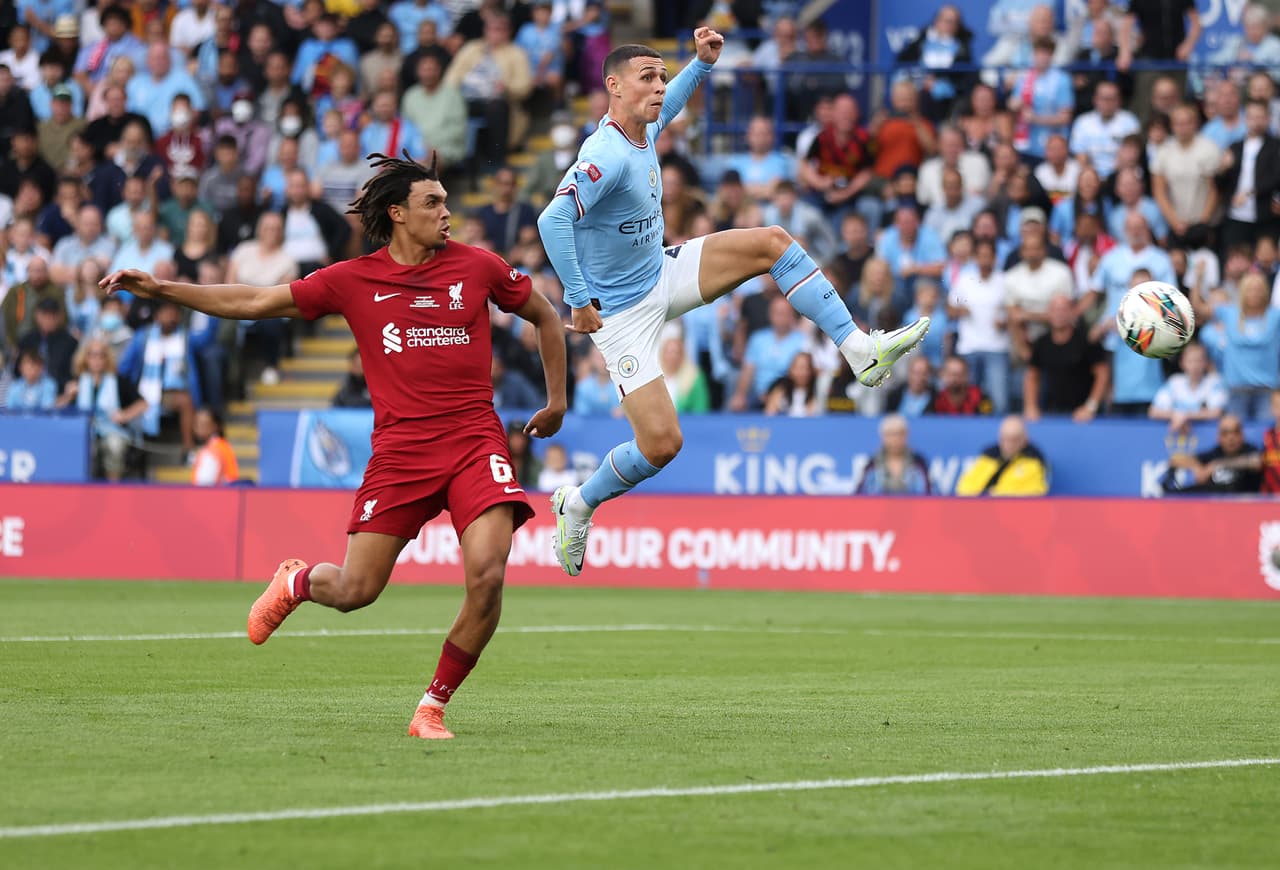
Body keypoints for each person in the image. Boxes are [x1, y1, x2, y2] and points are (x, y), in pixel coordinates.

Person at [102, 151, 567, 740]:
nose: (447, 213)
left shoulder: (478, 267)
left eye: (447, 201)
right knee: (354, 591)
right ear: (397, 214)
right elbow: (253, 302)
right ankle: (296, 581)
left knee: (488, 576)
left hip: (476, 440)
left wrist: (556, 401)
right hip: (401, 452)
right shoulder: (353, 279)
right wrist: (163, 289)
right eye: (433, 203)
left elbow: (546, 316)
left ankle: (432, 706)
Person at [536, 33, 930, 576]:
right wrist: (578, 302)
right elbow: (551, 221)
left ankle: (859, 348)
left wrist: (699, 65)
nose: (658, 86)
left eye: (659, 75)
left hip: (662, 273)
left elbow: (672, 104)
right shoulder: (604, 154)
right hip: (621, 316)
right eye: (647, 78)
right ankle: (577, 502)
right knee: (661, 444)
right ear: (613, 87)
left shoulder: (643, 125)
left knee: (773, 242)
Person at [56, 336, 146, 480]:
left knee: (114, 445)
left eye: (101, 355)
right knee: (84, 448)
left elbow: (142, 404)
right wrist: (68, 396)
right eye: (92, 355)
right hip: (84, 431)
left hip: (112, 430)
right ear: (85, 358)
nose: (96, 360)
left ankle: (113, 488)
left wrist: (124, 415)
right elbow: (56, 408)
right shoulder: (77, 381)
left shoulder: (118, 380)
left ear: (107, 358)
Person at [1023, 294, 1110, 422]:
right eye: (1055, 309)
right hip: (1052, 413)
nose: (1059, 314)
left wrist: (1090, 407)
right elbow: (1032, 376)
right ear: (1049, 313)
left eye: (1063, 309)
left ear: (1072, 312)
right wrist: (1030, 406)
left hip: (1086, 416)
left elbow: (1103, 374)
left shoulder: (1087, 339)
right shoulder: (1042, 343)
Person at [1161, 413, 1261, 494]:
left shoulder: (1249, 450)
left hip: (1244, 506)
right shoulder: (1215, 453)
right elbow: (1174, 460)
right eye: (1225, 433)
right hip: (1215, 506)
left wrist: (1215, 465)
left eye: (1235, 432)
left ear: (1242, 435)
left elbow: (1256, 462)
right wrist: (1196, 467)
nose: (1231, 438)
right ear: (1218, 437)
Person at [956, 415, 1050, 496]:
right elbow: (964, 487)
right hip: (980, 509)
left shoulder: (1033, 462)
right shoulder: (988, 457)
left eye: (1014, 439)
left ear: (1024, 440)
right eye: (1005, 438)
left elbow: (1035, 493)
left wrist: (997, 494)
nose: (1009, 444)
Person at [1149, 341, 1228, 430]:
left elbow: (1216, 412)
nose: (1195, 366)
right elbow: (1154, 411)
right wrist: (1175, 415)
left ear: (1206, 363)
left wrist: (1185, 416)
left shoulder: (1214, 382)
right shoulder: (1174, 382)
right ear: (1182, 363)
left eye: (1199, 361)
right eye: (1190, 361)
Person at [856, 413, 931, 495]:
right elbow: (859, 495)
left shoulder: (918, 463)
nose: (895, 439)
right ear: (883, 436)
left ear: (906, 435)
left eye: (899, 434)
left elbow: (928, 494)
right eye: (890, 434)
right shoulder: (872, 464)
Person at [191, 406, 239, 485]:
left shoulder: (212, 451)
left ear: (215, 426)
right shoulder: (222, 445)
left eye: (203, 424)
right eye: (196, 423)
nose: (198, 428)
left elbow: (204, 483)